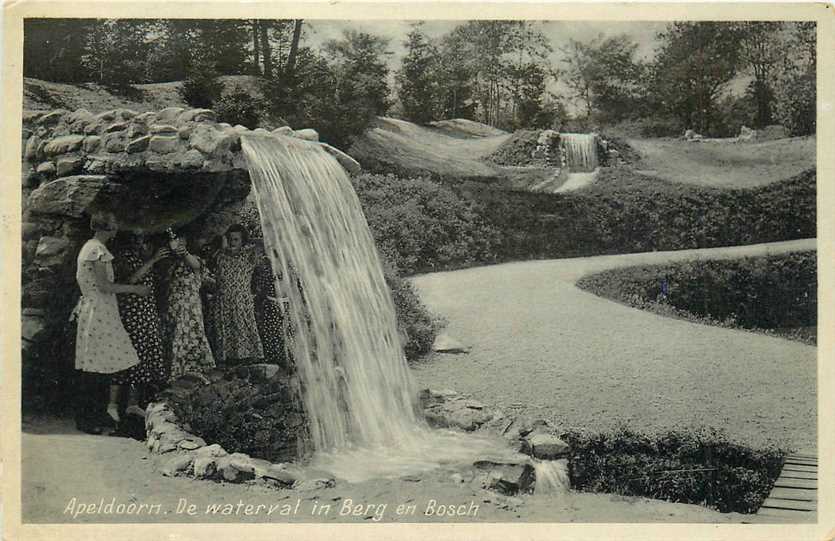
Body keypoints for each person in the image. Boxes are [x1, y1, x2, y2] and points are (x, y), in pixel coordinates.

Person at [73, 212, 150, 434]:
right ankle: (88, 419)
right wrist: (136, 289)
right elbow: (104, 286)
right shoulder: (96, 250)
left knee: (100, 363)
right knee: (96, 365)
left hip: (98, 308)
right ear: (106, 228)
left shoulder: (92, 247)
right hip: (99, 309)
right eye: (114, 224)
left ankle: (96, 415)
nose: (117, 228)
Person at [111, 233, 170, 418]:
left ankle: (133, 403)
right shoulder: (127, 257)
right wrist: (153, 260)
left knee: (143, 358)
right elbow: (131, 280)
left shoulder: (145, 259)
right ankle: (114, 404)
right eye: (143, 242)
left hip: (145, 315)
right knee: (127, 359)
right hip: (132, 315)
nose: (145, 246)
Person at [164, 231, 215, 380]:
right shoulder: (170, 263)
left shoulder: (194, 259)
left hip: (190, 307)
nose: (179, 245)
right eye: (176, 243)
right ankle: (176, 371)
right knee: (175, 336)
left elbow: (196, 266)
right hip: (174, 305)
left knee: (192, 335)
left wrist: (184, 253)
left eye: (182, 243)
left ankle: (194, 370)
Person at [213, 224, 263, 365]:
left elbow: (262, 243)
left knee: (243, 327)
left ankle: (246, 359)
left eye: (236, 239)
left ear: (242, 241)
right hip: (223, 299)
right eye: (229, 239)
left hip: (241, 299)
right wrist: (223, 242)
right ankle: (227, 360)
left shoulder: (248, 255)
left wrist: (248, 244)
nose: (231, 242)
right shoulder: (221, 256)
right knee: (224, 328)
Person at [251, 251, 288, 368]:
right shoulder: (266, 271)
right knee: (272, 331)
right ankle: (274, 358)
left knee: (285, 331)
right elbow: (260, 288)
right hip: (271, 303)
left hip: (285, 303)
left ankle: (286, 357)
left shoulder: (289, 270)